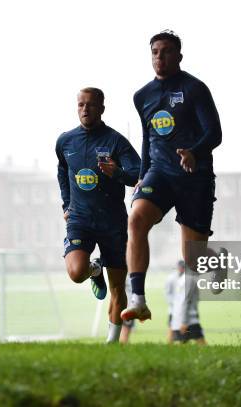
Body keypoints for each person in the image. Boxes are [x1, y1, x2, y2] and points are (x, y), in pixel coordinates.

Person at [121, 30, 222, 322]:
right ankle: (138, 299)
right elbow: (146, 137)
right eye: (154, 51)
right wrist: (142, 175)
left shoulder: (195, 89)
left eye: (165, 51)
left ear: (178, 55)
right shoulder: (142, 96)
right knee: (136, 219)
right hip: (159, 174)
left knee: (193, 260)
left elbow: (214, 133)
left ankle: (216, 260)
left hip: (195, 178)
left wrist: (194, 151)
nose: (159, 57)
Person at [56, 87, 141, 343]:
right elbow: (62, 171)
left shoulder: (115, 141)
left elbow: (137, 174)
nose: (85, 110)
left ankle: (112, 344)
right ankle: (95, 270)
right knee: (75, 273)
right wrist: (66, 205)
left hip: (112, 223)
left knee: (117, 289)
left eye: (91, 105)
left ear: (102, 108)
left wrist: (117, 172)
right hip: (80, 220)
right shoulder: (65, 141)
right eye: (80, 105)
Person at [169, 261, 206, 344]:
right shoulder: (189, 279)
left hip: (181, 318)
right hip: (189, 320)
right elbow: (186, 301)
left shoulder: (184, 278)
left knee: (183, 343)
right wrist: (184, 322)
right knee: (202, 343)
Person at [164, 260, 185, 343]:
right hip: (173, 309)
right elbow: (167, 293)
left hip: (184, 309)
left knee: (185, 328)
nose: (181, 269)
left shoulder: (187, 278)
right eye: (180, 268)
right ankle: (169, 345)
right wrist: (174, 303)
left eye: (183, 268)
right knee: (171, 327)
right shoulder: (171, 278)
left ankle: (183, 345)